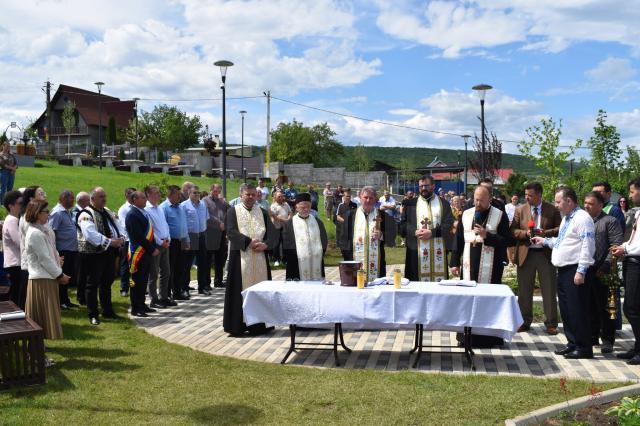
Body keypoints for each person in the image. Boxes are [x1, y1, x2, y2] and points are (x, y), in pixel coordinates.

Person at [532, 187, 596, 359]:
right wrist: (545, 241)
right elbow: (564, 242)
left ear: (569, 201)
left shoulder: (582, 218)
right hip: (564, 269)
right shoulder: (567, 218)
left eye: (558, 202)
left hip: (575, 270)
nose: (556, 205)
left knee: (577, 310)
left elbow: (587, 245)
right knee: (567, 310)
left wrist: (581, 271)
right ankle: (573, 343)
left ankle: (583, 347)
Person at [450, 185, 512, 347]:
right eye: (476, 199)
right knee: (467, 301)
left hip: (491, 268)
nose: (477, 203)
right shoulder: (466, 214)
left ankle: (489, 339)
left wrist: (487, 236)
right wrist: (454, 261)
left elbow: (507, 241)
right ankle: (466, 338)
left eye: (481, 200)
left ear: (490, 200)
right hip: (469, 265)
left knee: (488, 302)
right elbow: (458, 239)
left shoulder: (499, 215)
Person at [223, 183, 276, 336]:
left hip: (260, 257)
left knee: (261, 290)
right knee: (238, 291)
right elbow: (230, 231)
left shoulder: (263, 212)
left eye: (253, 194)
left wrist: (266, 245)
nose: (251, 197)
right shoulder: (233, 211)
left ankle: (259, 325)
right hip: (240, 258)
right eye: (248, 194)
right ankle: (238, 326)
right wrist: (248, 242)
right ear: (241, 195)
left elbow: (273, 235)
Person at [510, 182, 562, 335]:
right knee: (524, 290)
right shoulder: (520, 209)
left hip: (546, 254)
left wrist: (545, 232)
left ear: (540, 195)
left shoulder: (552, 209)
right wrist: (525, 233)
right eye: (525, 195)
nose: (527, 198)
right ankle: (524, 322)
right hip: (526, 253)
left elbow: (560, 229)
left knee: (549, 289)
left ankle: (551, 323)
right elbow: (513, 230)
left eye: (530, 195)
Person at [24, 200, 69, 366]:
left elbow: (50, 252)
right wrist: (60, 275)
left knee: (40, 319)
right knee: (39, 319)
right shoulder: (35, 233)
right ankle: (35, 356)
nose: (48, 214)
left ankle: (37, 355)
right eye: (45, 211)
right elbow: (43, 259)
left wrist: (58, 261)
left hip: (46, 278)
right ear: (37, 213)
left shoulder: (42, 230)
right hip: (41, 279)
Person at [77, 187, 125, 325]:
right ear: (92, 199)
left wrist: (121, 237)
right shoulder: (85, 214)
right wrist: (111, 242)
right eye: (101, 196)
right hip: (93, 254)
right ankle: (93, 314)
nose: (104, 198)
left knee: (107, 282)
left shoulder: (108, 211)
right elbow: (90, 234)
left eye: (105, 196)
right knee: (92, 284)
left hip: (108, 253)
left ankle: (107, 311)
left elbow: (118, 224)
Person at [583, 191, 623, 354]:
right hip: (586, 269)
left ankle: (607, 339)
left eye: (590, 204)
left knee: (606, 308)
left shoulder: (610, 221)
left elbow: (615, 246)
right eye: (585, 203)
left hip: (603, 272)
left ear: (600, 205)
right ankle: (592, 336)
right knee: (589, 306)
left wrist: (604, 266)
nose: (586, 206)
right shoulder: (583, 221)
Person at [401, 175, 454, 282]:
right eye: (421, 186)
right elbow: (403, 225)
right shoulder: (410, 203)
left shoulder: (444, 203)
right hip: (416, 251)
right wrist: (414, 231)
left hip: (438, 250)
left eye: (426, 186)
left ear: (433, 186)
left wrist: (432, 233)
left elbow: (449, 224)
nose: (423, 189)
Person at [611, 178, 640, 364]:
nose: (629, 195)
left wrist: (625, 250)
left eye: (632, 191)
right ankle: (638, 347)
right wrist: (623, 245)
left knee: (632, 308)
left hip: (637, 263)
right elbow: (635, 240)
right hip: (632, 261)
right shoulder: (638, 214)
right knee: (632, 307)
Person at [126, 191, 159, 317]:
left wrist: (153, 246)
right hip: (138, 252)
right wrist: (151, 249)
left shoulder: (143, 212)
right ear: (134, 199)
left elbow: (150, 233)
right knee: (136, 281)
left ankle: (142, 304)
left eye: (146, 197)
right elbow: (138, 236)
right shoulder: (132, 214)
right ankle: (136, 307)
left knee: (143, 280)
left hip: (146, 252)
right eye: (143, 198)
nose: (146, 200)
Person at [343, 186, 386, 282]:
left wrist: (381, 235)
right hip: (354, 260)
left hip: (377, 262)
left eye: (371, 198)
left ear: (375, 199)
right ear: (360, 197)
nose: (368, 200)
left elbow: (391, 235)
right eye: (365, 197)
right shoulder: (350, 215)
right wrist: (348, 261)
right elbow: (344, 239)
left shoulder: (382, 215)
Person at [282, 193, 328, 280]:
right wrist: (296, 256)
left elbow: (324, 240)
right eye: (303, 207)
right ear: (296, 207)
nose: (306, 209)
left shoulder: (318, 222)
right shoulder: (289, 224)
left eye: (308, 207)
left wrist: (320, 252)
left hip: (316, 261)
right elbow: (286, 243)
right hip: (296, 263)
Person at [48, 190, 78, 310]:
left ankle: (66, 300)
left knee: (67, 276)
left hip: (70, 249)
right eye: (70, 198)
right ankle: (61, 301)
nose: (72, 201)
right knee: (62, 276)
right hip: (62, 250)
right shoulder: (58, 212)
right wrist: (55, 251)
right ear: (63, 198)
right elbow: (52, 231)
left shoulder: (67, 212)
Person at [144, 185, 174, 309]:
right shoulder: (147, 210)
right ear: (148, 195)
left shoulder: (159, 208)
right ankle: (153, 299)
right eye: (155, 193)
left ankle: (164, 297)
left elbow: (165, 225)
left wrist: (168, 239)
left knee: (166, 271)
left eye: (158, 193)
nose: (158, 195)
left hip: (165, 243)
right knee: (154, 273)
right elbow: (150, 230)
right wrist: (160, 242)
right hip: (156, 244)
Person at [161, 185, 190, 300]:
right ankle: (167, 294)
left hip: (182, 241)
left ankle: (177, 292)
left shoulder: (181, 207)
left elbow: (184, 224)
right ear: (171, 195)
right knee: (169, 268)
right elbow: (163, 227)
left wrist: (187, 240)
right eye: (178, 194)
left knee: (180, 267)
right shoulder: (163, 208)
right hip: (171, 242)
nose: (180, 196)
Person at [180, 186, 210, 295]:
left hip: (201, 235)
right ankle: (185, 288)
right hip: (189, 236)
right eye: (194, 193)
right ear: (189, 193)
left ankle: (202, 287)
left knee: (202, 262)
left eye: (198, 193)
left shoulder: (203, 204)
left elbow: (206, 218)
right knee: (186, 264)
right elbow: (182, 222)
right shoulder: (184, 205)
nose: (197, 195)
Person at [203, 184, 229, 288]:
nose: (216, 193)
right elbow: (207, 215)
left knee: (220, 258)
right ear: (210, 190)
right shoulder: (205, 201)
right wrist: (219, 223)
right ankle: (207, 282)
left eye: (218, 191)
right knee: (208, 259)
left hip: (221, 233)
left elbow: (230, 209)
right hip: (210, 232)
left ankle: (218, 281)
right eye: (215, 191)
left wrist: (224, 201)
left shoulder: (221, 201)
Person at [3, 190, 24, 308]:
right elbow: (19, 242)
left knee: (17, 294)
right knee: (17, 295)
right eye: (20, 203)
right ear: (11, 205)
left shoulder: (15, 219)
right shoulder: (12, 220)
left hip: (16, 262)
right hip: (16, 263)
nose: (22, 206)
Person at [117, 187, 136, 298]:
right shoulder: (123, 209)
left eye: (133, 194)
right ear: (126, 196)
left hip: (137, 241)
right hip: (128, 240)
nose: (132, 196)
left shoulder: (137, 207)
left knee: (136, 265)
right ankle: (124, 288)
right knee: (125, 265)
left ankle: (134, 286)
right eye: (130, 194)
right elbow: (124, 225)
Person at [72, 191, 90, 305]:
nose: (90, 202)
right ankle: (81, 296)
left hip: (84, 246)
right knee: (82, 273)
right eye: (88, 200)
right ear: (82, 201)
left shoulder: (82, 211)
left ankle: (83, 295)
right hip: (80, 246)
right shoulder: (76, 212)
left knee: (85, 272)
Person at [269, 191, 292, 267]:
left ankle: (285, 259)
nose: (281, 197)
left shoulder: (286, 204)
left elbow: (290, 212)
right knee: (276, 244)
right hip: (277, 227)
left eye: (282, 196)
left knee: (285, 244)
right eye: (279, 196)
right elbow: (275, 217)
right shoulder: (273, 206)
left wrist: (289, 219)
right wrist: (286, 220)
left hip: (285, 227)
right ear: (275, 197)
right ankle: (276, 260)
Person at [336, 191, 358, 260]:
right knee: (344, 247)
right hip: (344, 229)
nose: (348, 198)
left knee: (352, 245)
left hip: (352, 228)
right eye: (347, 196)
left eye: (349, 196)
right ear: (344, 197)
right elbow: (337, 216)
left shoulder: (354, 205)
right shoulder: (341, 205)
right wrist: (345, 221)